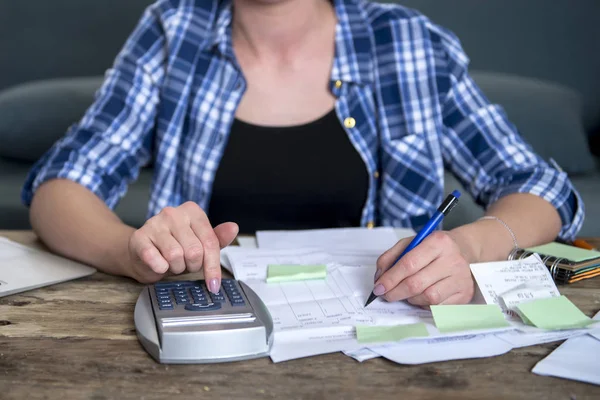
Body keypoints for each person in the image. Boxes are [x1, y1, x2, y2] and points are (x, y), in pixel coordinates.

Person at [22, 0, 583, 306]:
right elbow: (59, 186)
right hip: (215, 325)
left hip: (387, 328)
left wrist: (467, 245)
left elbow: (540, 187)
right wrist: (134, 254)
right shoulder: (173, 30)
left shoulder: (406, 39)